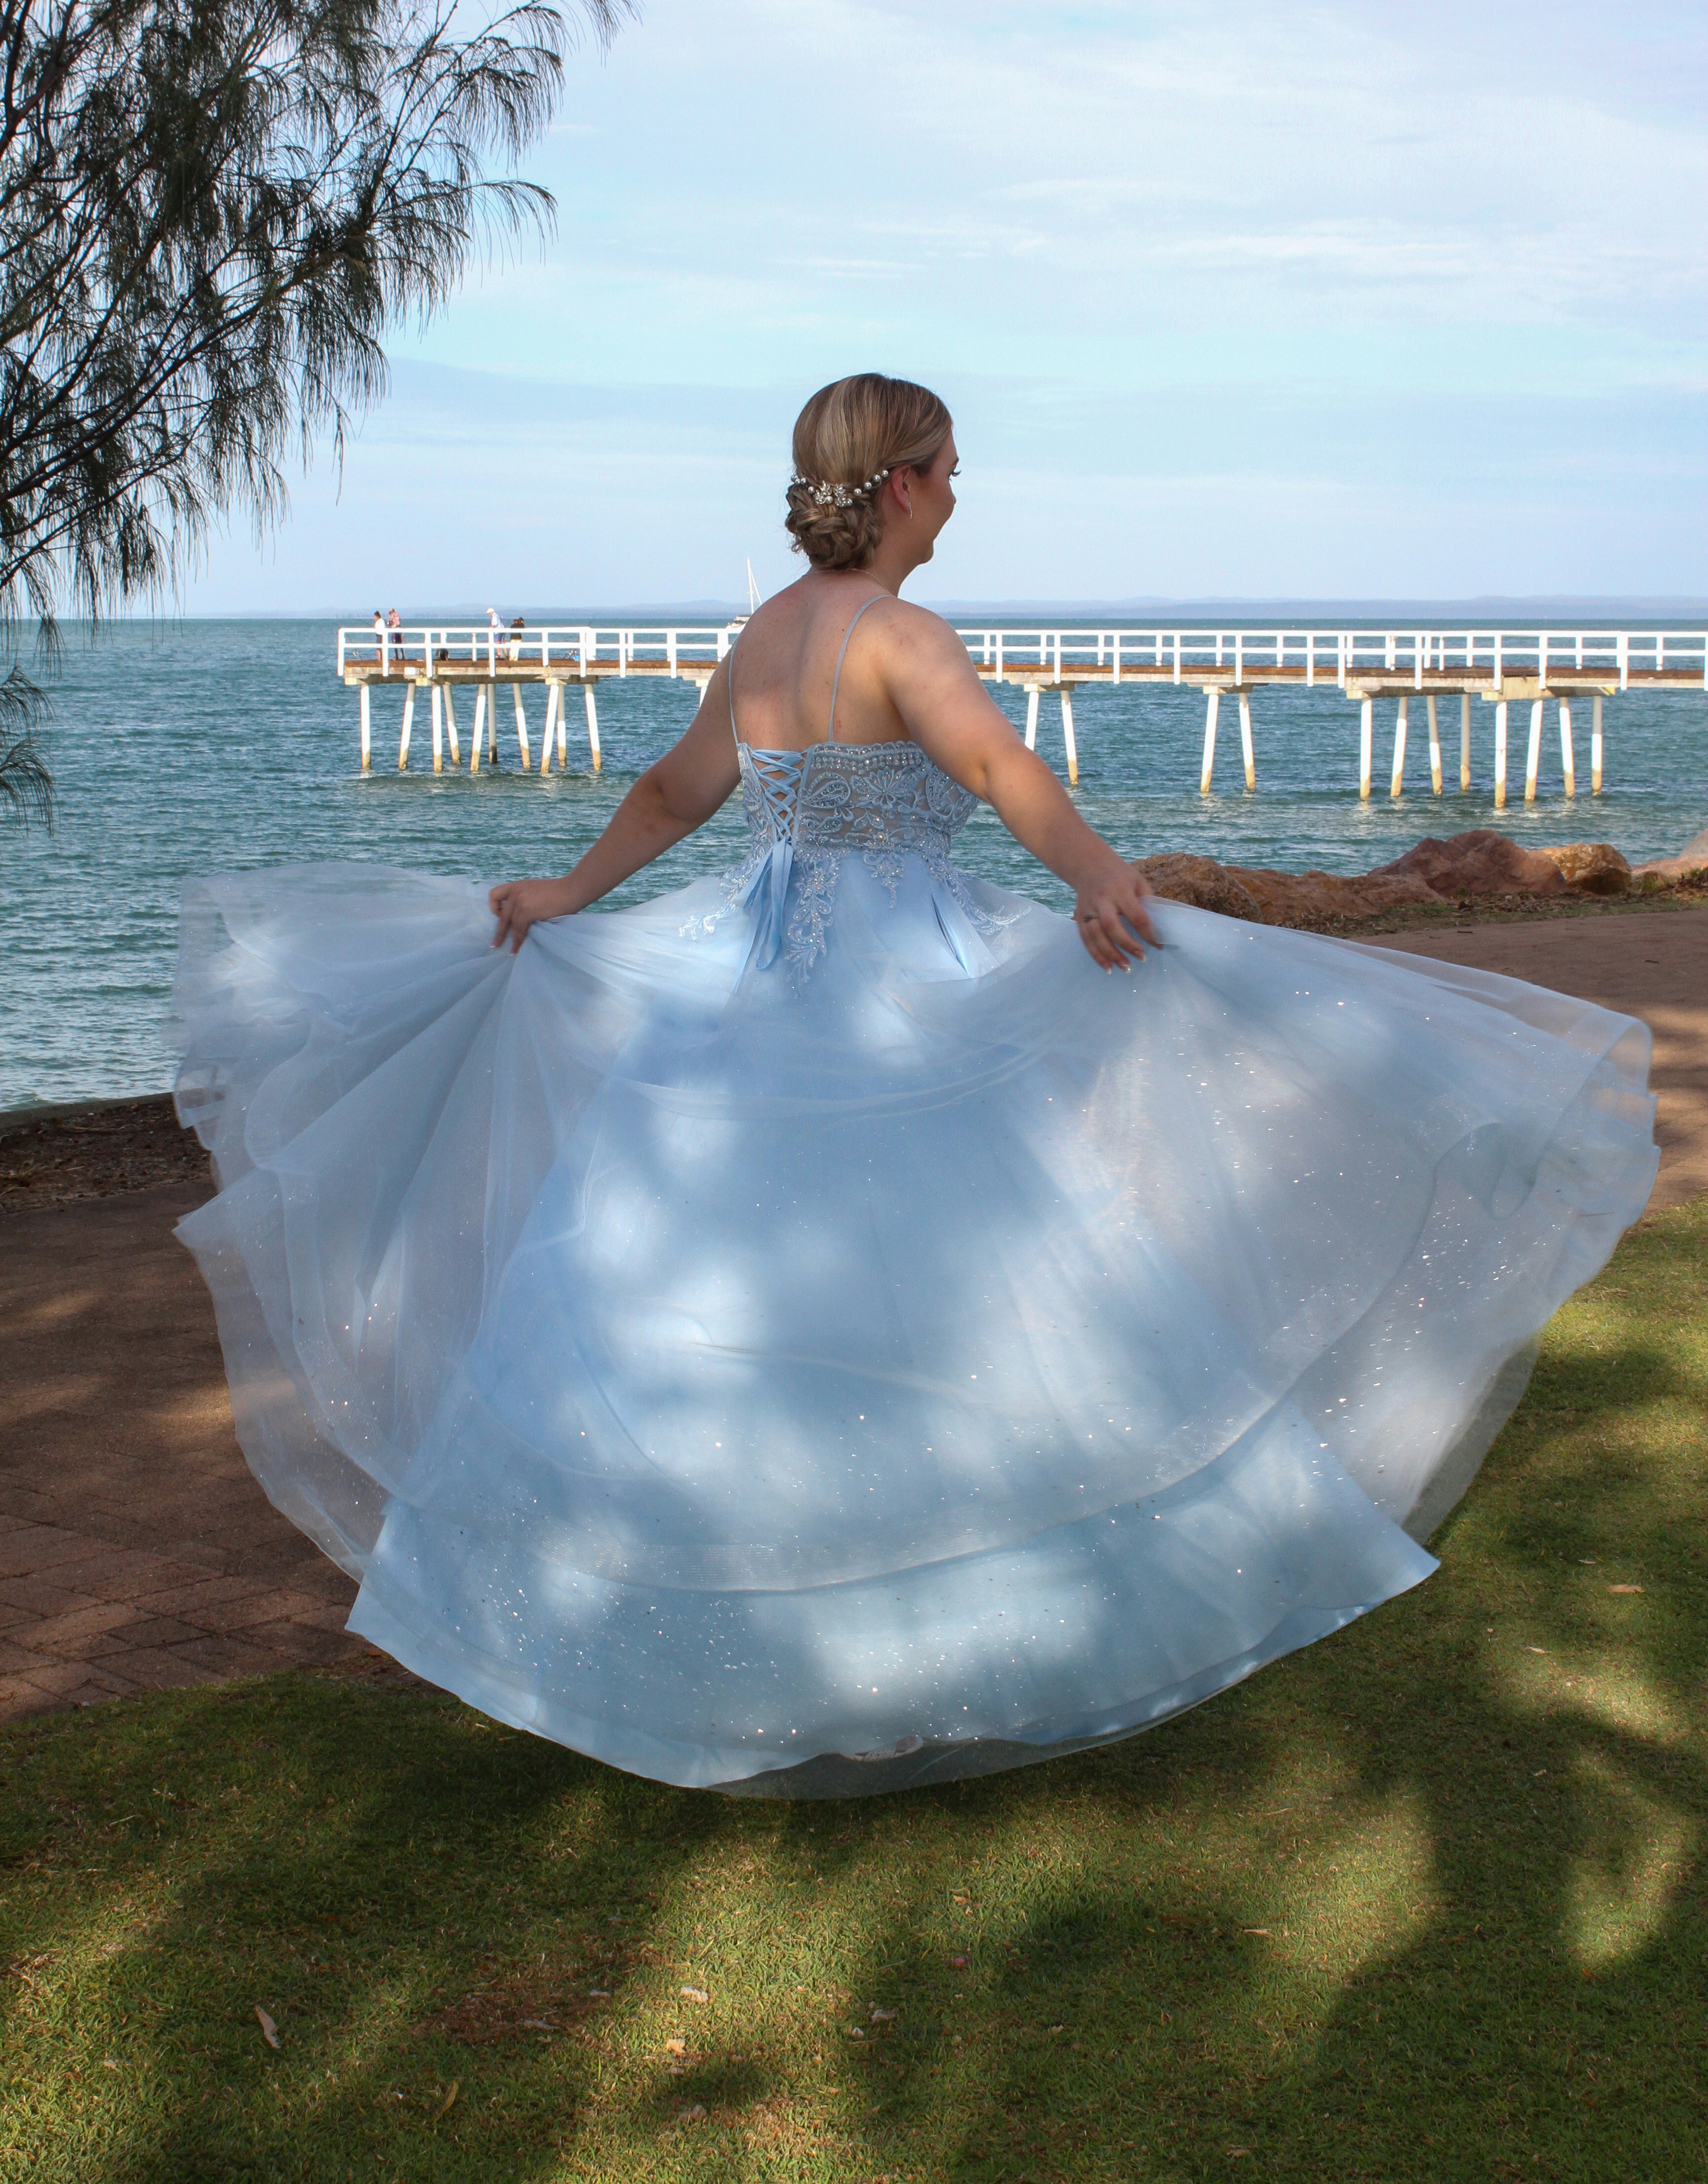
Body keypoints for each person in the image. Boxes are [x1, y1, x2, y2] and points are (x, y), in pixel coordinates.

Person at [173, 373, 1656, 1798]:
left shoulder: (762, 633)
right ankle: (935, 1644)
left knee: (718, 1300)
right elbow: (1005, 772)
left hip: (752, 978)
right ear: (896, 487)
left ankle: (756, 1647)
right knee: (979, 1289)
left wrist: (573, 888)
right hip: (903, 975)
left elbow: (677, 794)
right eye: (947, 468)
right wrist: (1098, 880)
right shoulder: (908, 636)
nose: (959, 493)